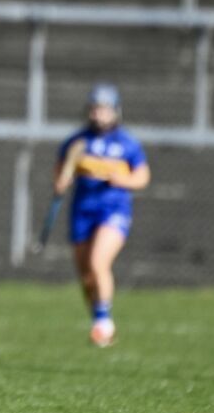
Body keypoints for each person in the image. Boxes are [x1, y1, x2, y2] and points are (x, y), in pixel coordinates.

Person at [54, 82, 149, 348]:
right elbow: (62, 171)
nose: (98, 114)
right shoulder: (77, 142)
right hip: (82, 211)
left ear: (115, 111)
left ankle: (104, 323)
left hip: (113, 210)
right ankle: (100, 322)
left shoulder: (127, 143)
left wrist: (124, 180)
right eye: (95, 109)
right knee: (86, 276)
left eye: (104, 109)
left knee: (98, 263)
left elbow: (142, 177)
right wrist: (61, 183)